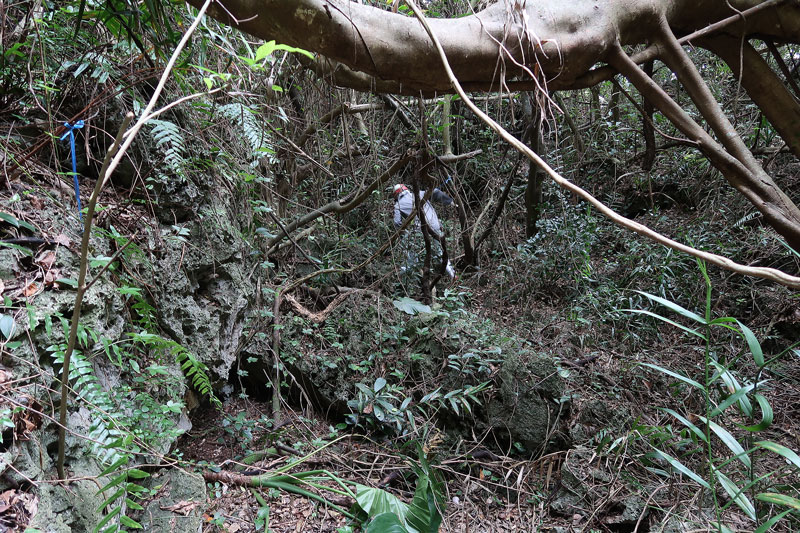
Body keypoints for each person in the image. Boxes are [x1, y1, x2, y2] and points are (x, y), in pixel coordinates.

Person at [392, 183, 456, 279]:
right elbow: (436, 192)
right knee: (439, 252)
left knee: (411, 253)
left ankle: (403, 275)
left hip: (420, 230)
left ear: (396, 195)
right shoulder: (419, 194)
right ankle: (452, 274)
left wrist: (403, 234)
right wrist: (449, 201)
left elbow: (397, 223)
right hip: (436, 226)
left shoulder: (398, 205)